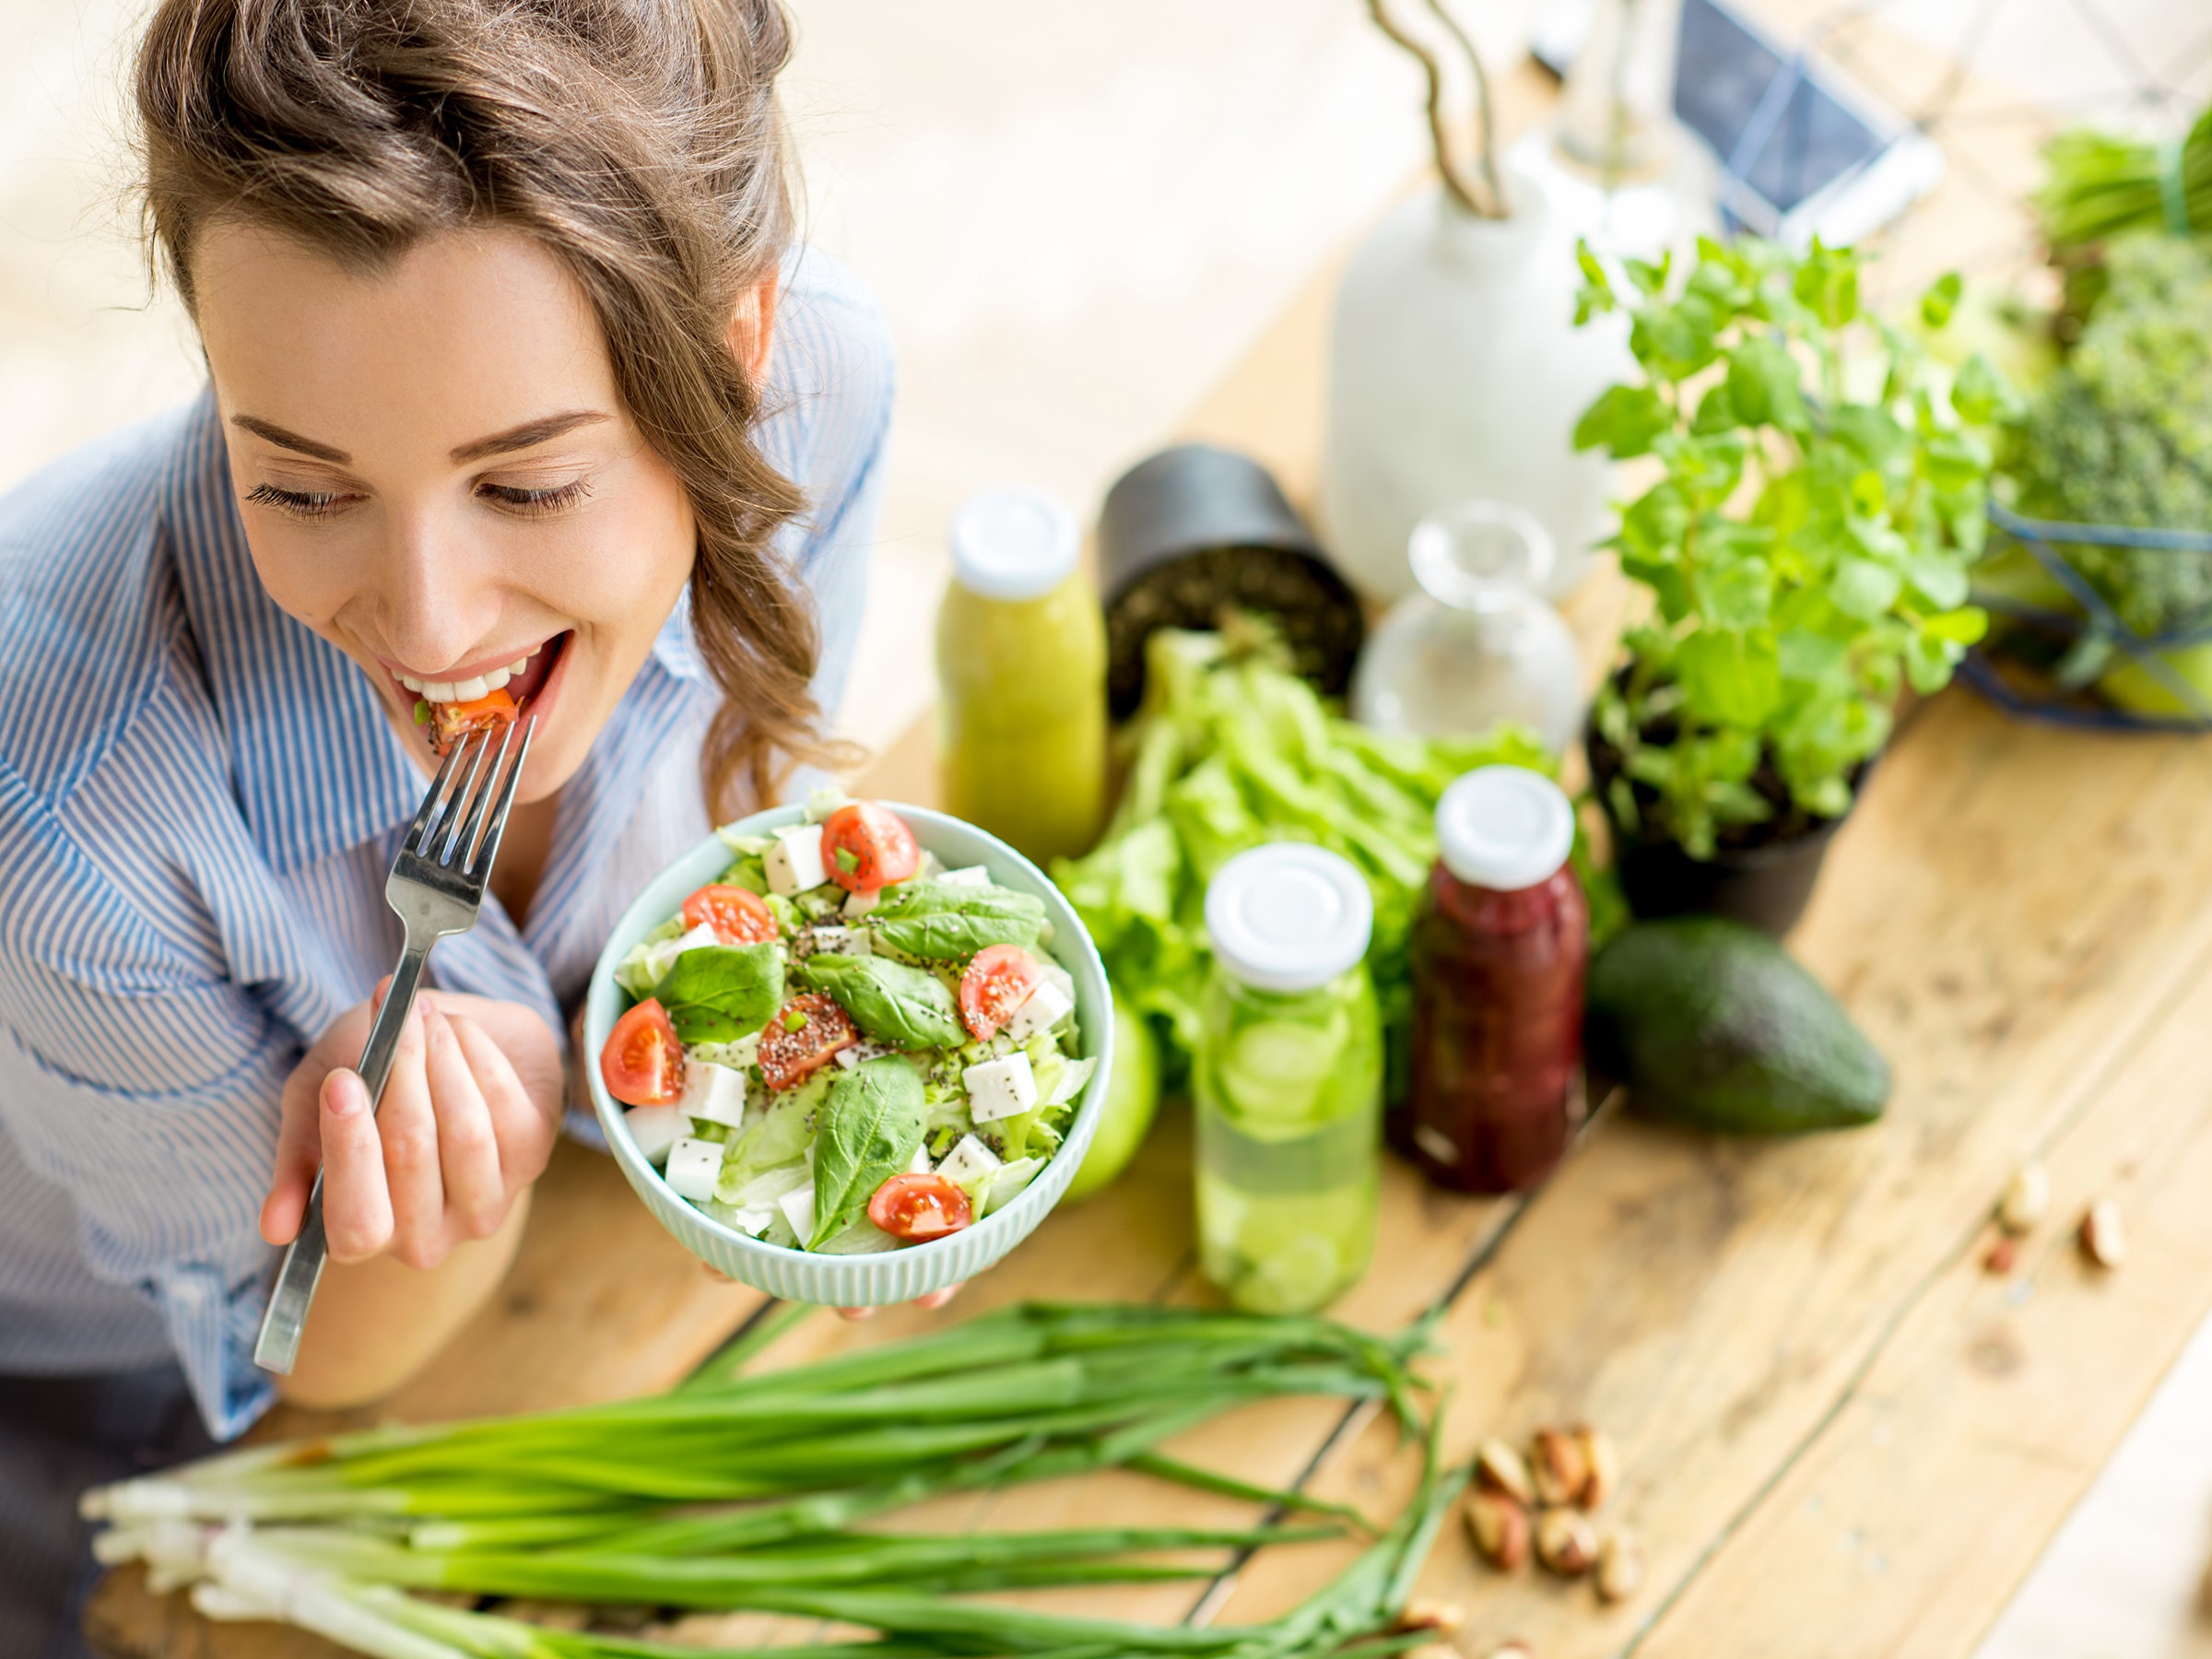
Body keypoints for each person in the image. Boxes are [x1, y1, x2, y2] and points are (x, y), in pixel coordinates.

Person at [0, 1, 898, 1651]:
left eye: (530, 486)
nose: (422, 623)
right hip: (123, 1393)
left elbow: (739, 843)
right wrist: (439, 1157)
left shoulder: (823, 396)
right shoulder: (63, 828)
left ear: (741, 350)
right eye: (301, 483)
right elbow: (314, 1354)